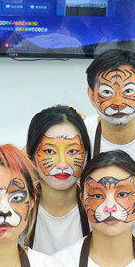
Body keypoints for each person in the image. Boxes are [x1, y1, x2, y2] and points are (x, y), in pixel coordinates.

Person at [25, 105, 92, 255]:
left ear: (86, 153)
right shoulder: (17, 209)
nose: (62, 164)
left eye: (72, 151)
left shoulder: (99, 208)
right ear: (31, 155)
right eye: (49, 151)